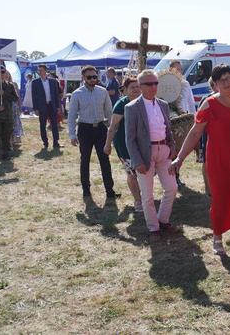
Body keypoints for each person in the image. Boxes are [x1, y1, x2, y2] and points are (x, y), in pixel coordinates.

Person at [170, 64, 230, 262]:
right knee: (221, 199)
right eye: (222, 80)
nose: (228, 82)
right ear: (216, 84)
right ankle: (217, 237)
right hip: (218, 160)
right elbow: (195, 132)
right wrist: (180, 157)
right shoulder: (209, 104)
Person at [124, 71, 179, 240]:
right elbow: (130, 138)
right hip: (144, 154)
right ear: (140, 87)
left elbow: (167, 128)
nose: (154, 87)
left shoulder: (163, 104)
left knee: (172, 188)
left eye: (155, 83)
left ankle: (163, 221)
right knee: (147, 195)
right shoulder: (131, 107)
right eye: (149, 84)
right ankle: (153, 228)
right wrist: (137, 160)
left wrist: (172, 148)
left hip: (164, 151)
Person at [68, 65, 119, 199]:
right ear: (83, 78)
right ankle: (86, 190)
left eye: (94, 76)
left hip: (101, 129)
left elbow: (109, 112)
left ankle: (110, 190)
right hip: (84, 129)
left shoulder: (103, 92)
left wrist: (112, 130)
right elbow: (72, 115)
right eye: (89, 77)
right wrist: (72, 134)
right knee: (85, 160)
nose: (92, 79)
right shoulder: (77, 94)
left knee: (104, 160)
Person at [104, 77, 143, 213]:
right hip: (124, 145)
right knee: (132, 173)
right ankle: (138, 200)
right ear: (125, 90)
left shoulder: (145, 102)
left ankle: (144, 197)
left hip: (142, 145)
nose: (136, 90)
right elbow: (113, 126)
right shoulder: (121, 104)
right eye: (132, 88)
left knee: (143, 171)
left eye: (138, 86)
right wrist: (107, 144)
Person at [196, 77, 218, 196]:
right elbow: (199, 119)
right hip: (207, 134)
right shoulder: (206, 99)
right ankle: (208, 187)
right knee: (206, 160)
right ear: (213, 86)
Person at [32, 65, 62, 149]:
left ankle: (56, 142)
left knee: (54, 125)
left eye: (41, 70)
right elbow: (33, 96)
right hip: (42, 107)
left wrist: (58, 106)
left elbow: (56, 94)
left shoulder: (53, 81)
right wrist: (36, 108)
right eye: (38, 70)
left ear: (45, 71)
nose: (39, 72)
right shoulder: (35, 82)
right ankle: (45, 142)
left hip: (52, 106)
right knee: (42, 125)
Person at [4, 71, 23, 146]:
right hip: (6, 106)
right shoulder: (1, 84)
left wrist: (19, 106)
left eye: (8, 75)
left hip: (14, 105)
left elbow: (17, 96)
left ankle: (15, 139)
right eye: (5, 75)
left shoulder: (14, 84)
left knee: (15, 122)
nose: (7, 76)